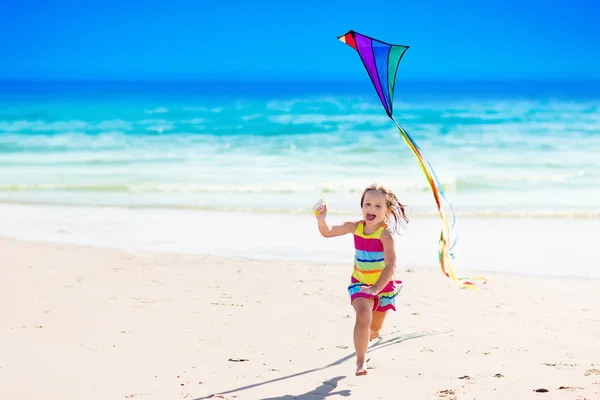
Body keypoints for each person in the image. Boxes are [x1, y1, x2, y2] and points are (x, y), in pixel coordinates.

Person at [314, 183, 409, 376]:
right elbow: (328, 231)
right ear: (362, 206)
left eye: (377, 206)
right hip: (360, 282)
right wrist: (322, 219)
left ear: (387, 211)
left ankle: (373, 333)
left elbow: (391, 265)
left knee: (375, 326)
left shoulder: (385, 234)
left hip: (383, 285)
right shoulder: (356, 227)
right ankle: (360, 361)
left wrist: (376, 289)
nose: (371, 209)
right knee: (364, 316)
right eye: (367, 204)